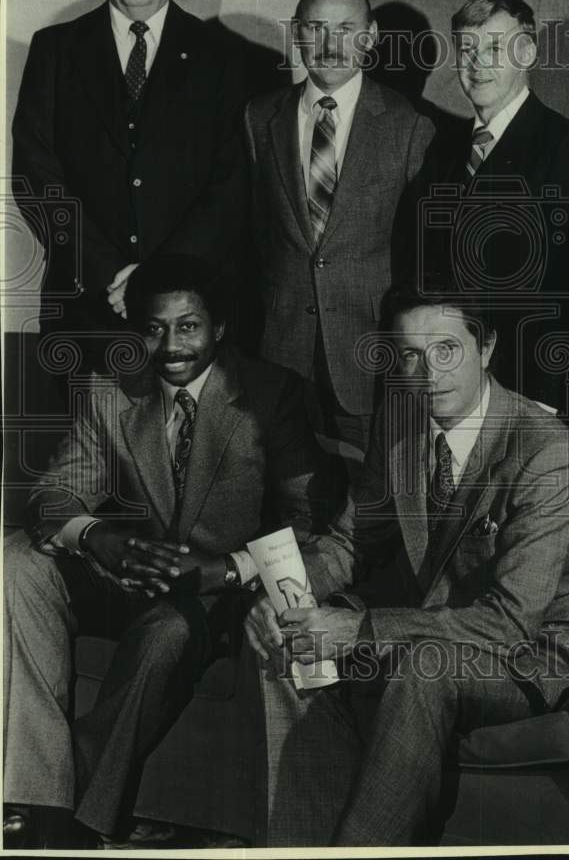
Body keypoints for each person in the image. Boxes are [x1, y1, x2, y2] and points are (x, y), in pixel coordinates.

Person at [245, 279, 569, 846]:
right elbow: (349, 541)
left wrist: (360, 629)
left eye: (446, 350)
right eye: (410, 354)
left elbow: (510, 623)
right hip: (428, 627)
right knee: (289, 640)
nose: (428, 372)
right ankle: (303, 843)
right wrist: (282, 591)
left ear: (485, 349)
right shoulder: (400, 419)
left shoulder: (545, 452)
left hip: (532, 656)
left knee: (421, 669)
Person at [3, 254, 341, 848]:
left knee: (166, 634)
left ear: (219, 328)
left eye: (188, 326)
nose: (170, 345)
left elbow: (309, 523)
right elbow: (56, 491)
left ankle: (74, 817)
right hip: (134, 570)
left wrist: (225, 569)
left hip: (220, 593)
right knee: (15, 563)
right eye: (154, 328)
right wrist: (98, 538)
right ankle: (32, 796)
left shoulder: (270, 394)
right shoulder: (110, 387)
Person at [11, 0, 248, 358]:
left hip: (191, 311)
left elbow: (232, 185)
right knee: (87, 432)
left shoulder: (224, 58)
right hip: (85, 311)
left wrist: (157, 279)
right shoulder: (55, 50)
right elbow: (37, 177)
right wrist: (111, 272)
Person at [244, 0, 435, 455]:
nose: (329, 46)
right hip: (280, 350)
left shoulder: (410, 126)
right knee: (282, 493)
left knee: (372, 500)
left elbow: (420, 257)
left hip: (368, 353)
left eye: (345, 29)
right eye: (315, 28)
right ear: (297, 35)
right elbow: (251, 234)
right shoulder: (258, 117)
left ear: (369, 37)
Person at [416, 0, 569, 411]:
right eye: (467, 49)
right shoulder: (443, 146)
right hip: (449, 379)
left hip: (526, 386)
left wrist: (547, 396)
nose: (477, 63)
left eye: (495, 48)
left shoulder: (568, 144)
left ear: (528, 52)